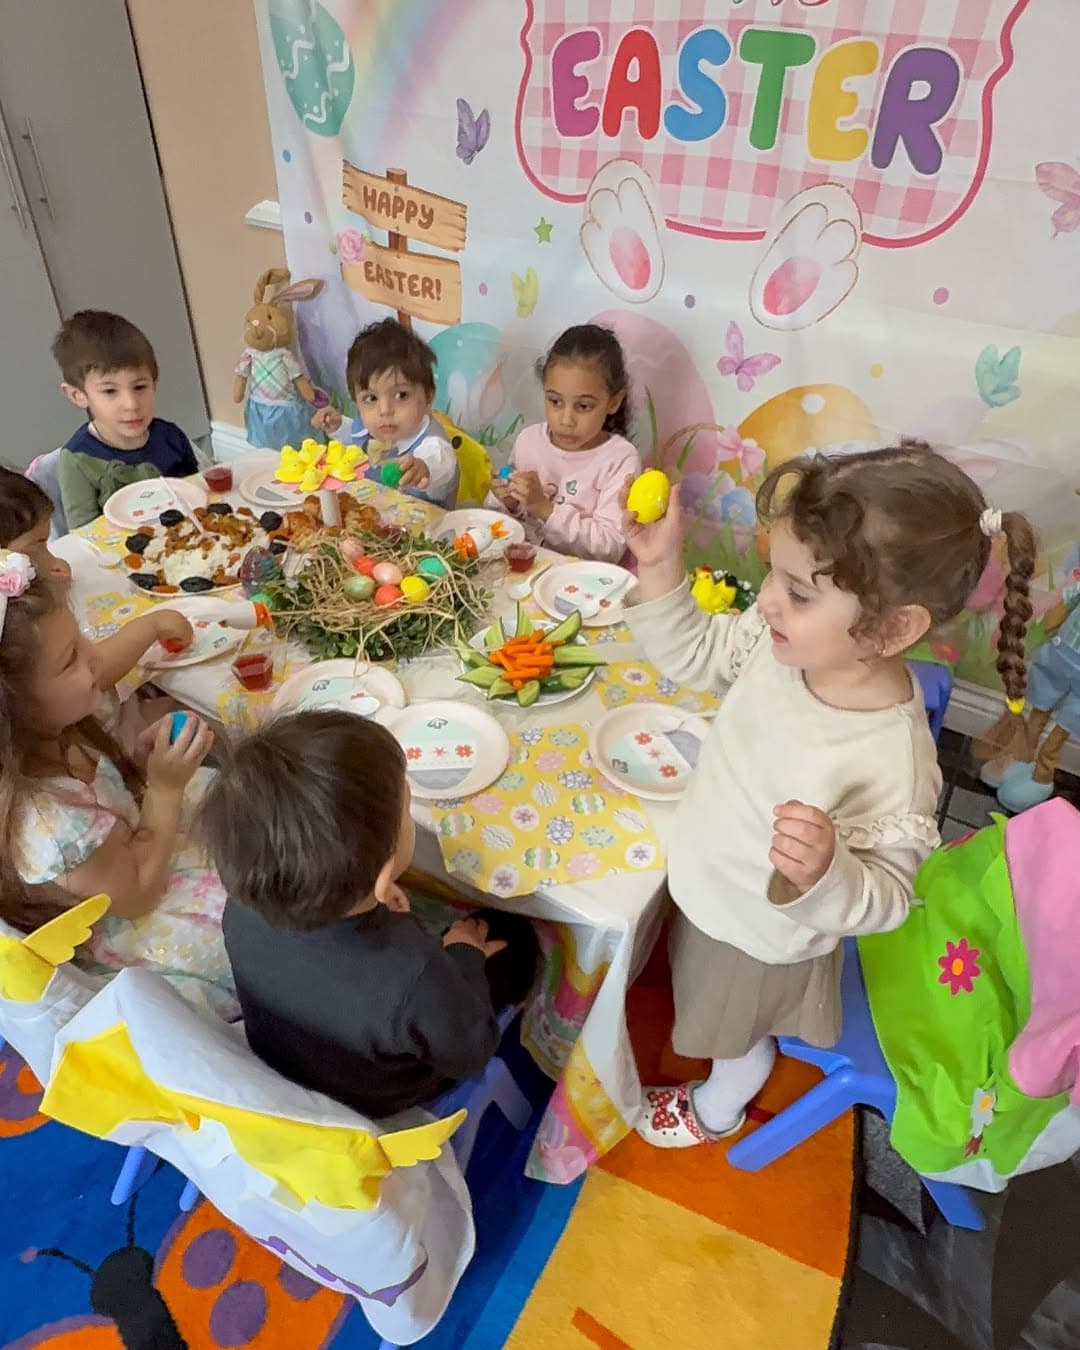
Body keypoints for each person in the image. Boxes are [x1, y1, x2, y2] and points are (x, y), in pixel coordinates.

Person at [621, 440, 1036, 1148]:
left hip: (758, 935)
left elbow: (887, 899)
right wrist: (660, 569)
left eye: (799, 592)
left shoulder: (890, 758)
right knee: (695, 979)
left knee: (729, 1031)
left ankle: (720, 1105)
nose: (767, 600)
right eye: (773, 577)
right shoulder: (785, 641)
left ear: (894, 626)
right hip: (712, 881)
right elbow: (699, 656)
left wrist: (829, 871)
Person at [196, 710, 540, 1119]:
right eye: (407, 809)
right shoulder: (414, 971)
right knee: (515, 937)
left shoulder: (241, 909)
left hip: (283, 1060)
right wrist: (465, 953)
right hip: (376, 1098)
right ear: (380, 879)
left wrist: (373, 901)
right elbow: (469, 1052)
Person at [0, 552, 237, 1021]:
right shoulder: (48, 821)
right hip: (137, 920)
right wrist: (165, 790)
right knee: (268, 909)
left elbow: (109, 802)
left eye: (80, 637)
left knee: (249, 808)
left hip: (136, 846)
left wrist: (142, 770)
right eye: (70, 660)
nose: (94, 656)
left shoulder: (59, 730)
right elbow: (136, 897)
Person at [0, 465, 188, 754]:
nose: (54, 562)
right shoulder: (28, 643)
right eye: (33, 552)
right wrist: (153, 625)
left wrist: (44, 566)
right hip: (108, 737)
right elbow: (97, 669)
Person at [486, 324, 641, 563]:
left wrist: (545, 509)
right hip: (521, 572)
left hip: (581, 587)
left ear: (613, 402)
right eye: (555, 401)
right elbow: (497, 524)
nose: (566, 420)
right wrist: (506, 500)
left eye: (584, 406)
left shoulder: (620, 459)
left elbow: (610, 548)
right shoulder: (529, 441)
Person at [51, 311, 200, 529]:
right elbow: (84, 537)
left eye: (140, 387)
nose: (131, 404)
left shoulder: (171, 436)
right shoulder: (77, 461)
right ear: (78, 395)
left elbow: (196, 496)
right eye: (110, 391)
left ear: (154, 384)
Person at [312, 317, 459, 507]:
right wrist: (338, 426)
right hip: (376, 523)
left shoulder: (434, 446)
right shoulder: (371, 430)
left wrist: (421, 468)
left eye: (401, 395)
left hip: (426, 532)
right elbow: (355, 436)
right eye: (370, 398)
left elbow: (440, 464)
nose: (385, 411)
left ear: (428, 397)